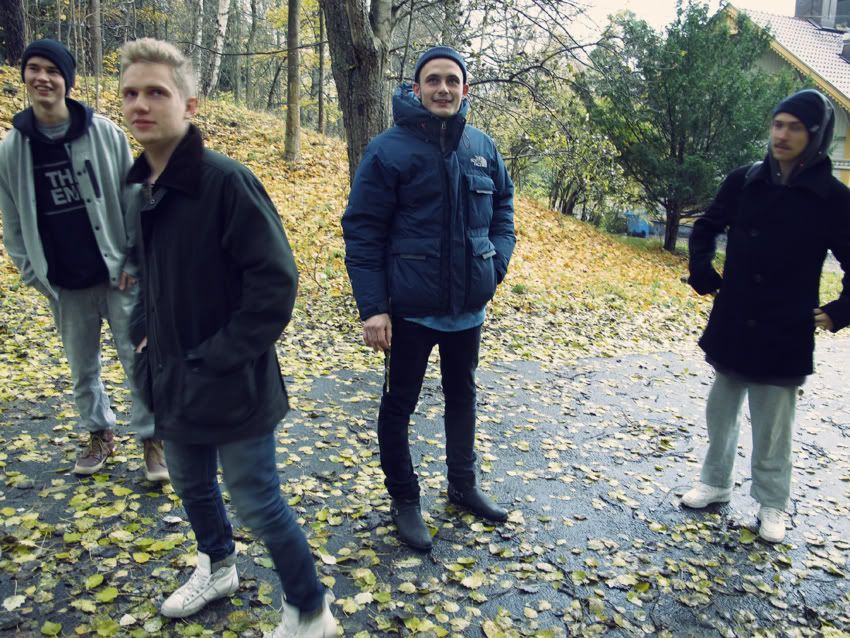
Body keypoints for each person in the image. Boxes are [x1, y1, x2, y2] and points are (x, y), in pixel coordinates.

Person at [118, 39, 336, 636]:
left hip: (232, 380)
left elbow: (275, 283)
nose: (141, 104)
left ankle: (310, 610)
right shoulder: (139, 189)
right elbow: (139, 272)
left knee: (257, 499)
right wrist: (143, 335)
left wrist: (215, 356)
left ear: (190, 105)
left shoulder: (226, 183)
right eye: (131, 93)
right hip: (171, 378)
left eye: (156, 92)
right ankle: (217, 567)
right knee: (191, 485)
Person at [341, 46, 516, 551]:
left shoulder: (482, 146)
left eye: (452, 80)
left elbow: (504, 208)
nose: (443, 89)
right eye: (433, 80)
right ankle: (405, 499)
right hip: (409, 312)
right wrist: (374, 308)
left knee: (463, 398)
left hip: (468, 311)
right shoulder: (387, 150)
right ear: (416, 89)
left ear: (465, 89)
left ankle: (463, 486)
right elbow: (362, 231)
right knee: (399, 406)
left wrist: (494, 265)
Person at [683, 89, 850, 543]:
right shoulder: (745, 180)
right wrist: (702, 270)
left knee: (773, 425)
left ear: (815, 135)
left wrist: (839, 311)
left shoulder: (833, 197)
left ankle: (772, 503)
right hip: (735, 317)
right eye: (778, 124)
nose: (782, 135)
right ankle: (715, 483)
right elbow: (706, 227)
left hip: (785, 327)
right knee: (721, 411)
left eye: (794, 127)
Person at [0, 39, 165, 480]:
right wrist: (33, 273)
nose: (42, 77)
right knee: (82, 369)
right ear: (24, 76)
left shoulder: (104, 133)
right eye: (34, 68)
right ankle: (99, 434)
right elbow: (12, 221)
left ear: (67, 81)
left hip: (118, 277)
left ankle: (153, 438)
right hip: (64, 282)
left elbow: (134, 200)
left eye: (52, 70)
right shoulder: (12, 149)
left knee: (138, 359)